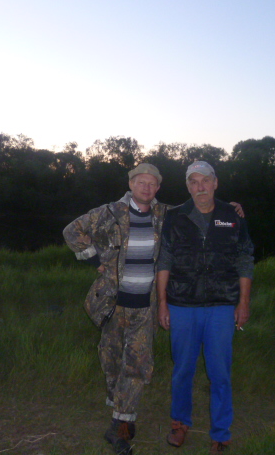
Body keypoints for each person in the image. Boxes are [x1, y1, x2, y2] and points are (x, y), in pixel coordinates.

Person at [63, 163, 245, 455]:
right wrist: (95, 260)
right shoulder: (109, 212)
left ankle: (121, 426)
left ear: (158, 188)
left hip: (145, 306)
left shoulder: (166, 214)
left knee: (136, 366)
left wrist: (229, 208)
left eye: (152, 184)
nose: (146, 188)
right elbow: (72, 231)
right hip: (111, 304)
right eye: (141, 182)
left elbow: (200, 207)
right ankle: (120, 409)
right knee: (111, 362)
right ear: (131, 184)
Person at [156, 161, 254, 454]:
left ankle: (221, 433)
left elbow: (245, 258)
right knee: (182, 370)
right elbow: (165, 259)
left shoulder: (232, 215)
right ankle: (179, 422)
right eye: (193, 182)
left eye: (205, 180)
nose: (200, 187)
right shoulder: (175, 216)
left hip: (222, 305)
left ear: (215, 183)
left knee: (220, 373)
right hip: (182, 304)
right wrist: (162, 303)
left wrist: (243, 302)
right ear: (188, 186)